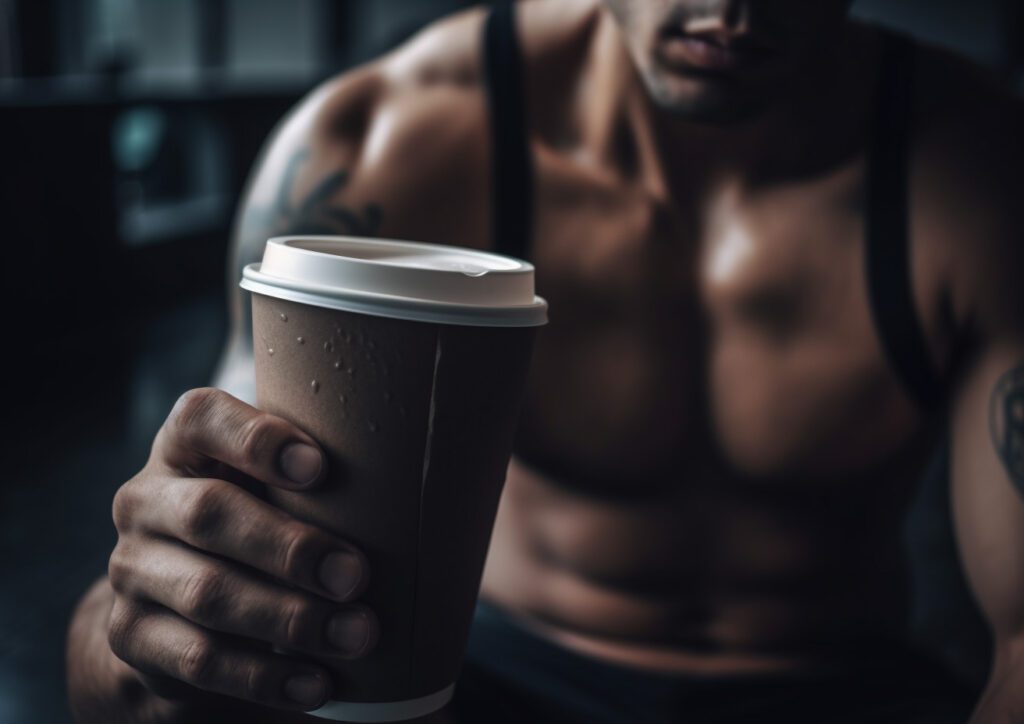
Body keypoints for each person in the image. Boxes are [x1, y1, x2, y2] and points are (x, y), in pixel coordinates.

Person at [66, 0, 1024, 722]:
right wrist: (144, 641)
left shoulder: (981, 176)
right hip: (490, 677)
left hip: (841, 686)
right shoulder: (385, 145)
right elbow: (191, 590)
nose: (734, 10)